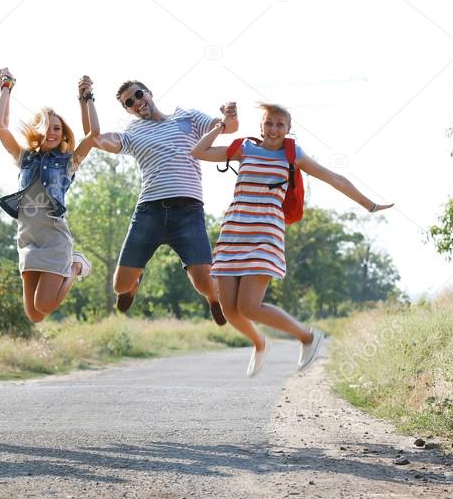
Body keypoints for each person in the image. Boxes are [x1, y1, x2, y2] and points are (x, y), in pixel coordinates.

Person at [191, 103, 393, 376]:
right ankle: (260, 342)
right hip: (233, 234)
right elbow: (199, 152)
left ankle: (308, 337)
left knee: (249, 306)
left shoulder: (293, 155)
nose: (274, 129)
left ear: (288, 128)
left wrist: (369, 205)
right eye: (269, 123)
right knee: (230, 310)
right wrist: (222, 126)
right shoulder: (244, 149)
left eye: (279, 124)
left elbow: (335, 179)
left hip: (265, 235)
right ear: (260, 126)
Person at [93, 80, 238, 322]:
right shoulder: (132, 133)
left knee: (203, 282)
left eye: (139, 95)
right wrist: (87, 100)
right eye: (129, 103)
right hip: (150, 212)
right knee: (120, 286)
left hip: (188, 210)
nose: (137, 102)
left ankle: (213, 298)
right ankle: (135, 280)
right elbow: (99, 139)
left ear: (149, 93)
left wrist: (229, 116)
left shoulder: (187, 117)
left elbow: (229, 128)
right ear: (127, 110)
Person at [0, 70, 100, 322]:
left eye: (56, 128)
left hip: (54, 239)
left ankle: (75, 266)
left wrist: (86, 98)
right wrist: (6, 87)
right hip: (27, 239)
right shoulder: (24, 158)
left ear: (63, 134)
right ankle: (70, 267)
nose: (50, 132)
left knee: (45, 305)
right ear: (36, 131)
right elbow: (0, 126)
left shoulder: (68, 162)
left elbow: (93, 135)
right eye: (45, 127)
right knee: (34, 315)